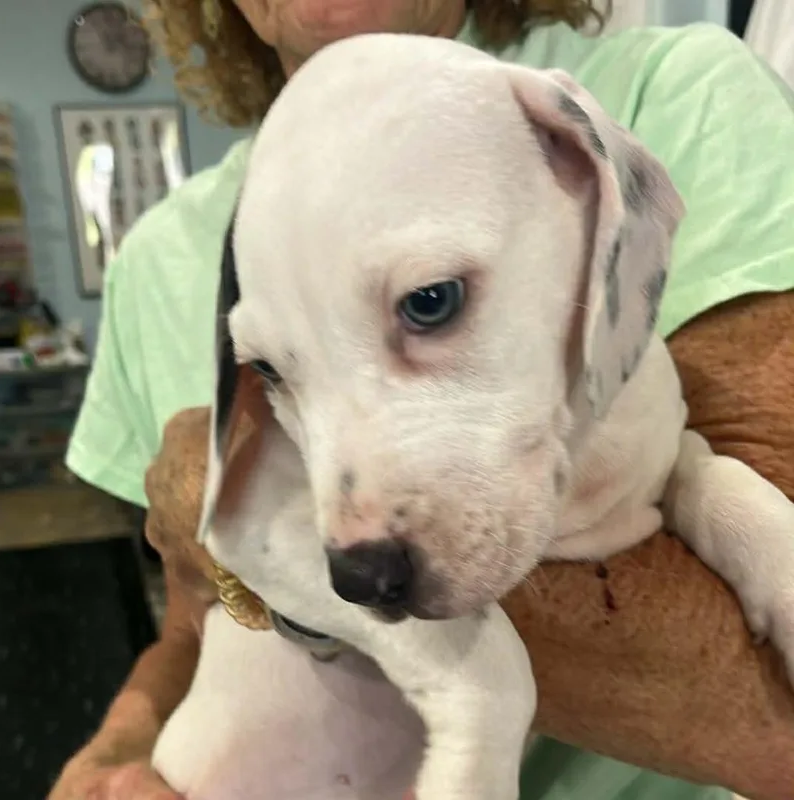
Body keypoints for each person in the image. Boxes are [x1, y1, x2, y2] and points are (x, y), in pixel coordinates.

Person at [48, 1, 794, 799]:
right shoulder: (162, 253)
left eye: (430, 302)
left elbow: (763, 728)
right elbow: (192, 622)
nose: (354, 546)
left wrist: (465, 680)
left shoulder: (655, 99)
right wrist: (116, 745)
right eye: (272, 372)